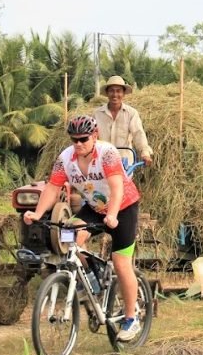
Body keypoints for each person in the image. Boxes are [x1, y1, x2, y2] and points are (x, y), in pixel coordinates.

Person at [23, 115, 143, 341]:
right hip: (95, 207)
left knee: (120, 262)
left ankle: (131, 319)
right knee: (68, 235)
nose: (78, 144)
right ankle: (91, 278)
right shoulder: (65, 159)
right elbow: (52, 188)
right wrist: (37, 214)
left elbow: (117, 188)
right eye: (74, 139)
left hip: (123, 207)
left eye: (83, 139)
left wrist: (112, 214)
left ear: (95, 136)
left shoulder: (107, 154)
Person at [93, 75, 154, 166]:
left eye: (118, 91)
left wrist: (145, 153)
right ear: (107, 93)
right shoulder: (97, 114)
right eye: (111, 91)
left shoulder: (131, 113)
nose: (115, 95)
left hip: (124, 162)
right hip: (102, 161)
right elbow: (91, 136)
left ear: (123, 93)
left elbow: (138, 134)